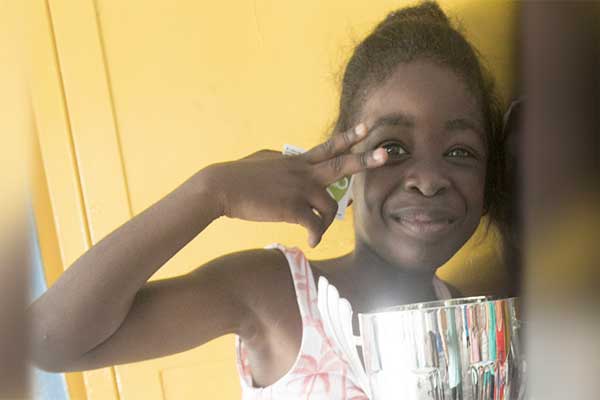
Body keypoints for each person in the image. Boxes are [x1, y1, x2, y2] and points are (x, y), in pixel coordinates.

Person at [28, 1, 513, 398]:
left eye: (460, 151)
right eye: (393, 148)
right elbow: (49, 342)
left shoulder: (481, 328)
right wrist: (212, 191)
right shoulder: (275, 295)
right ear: (341, 161)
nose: (428, 179)